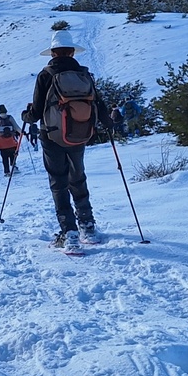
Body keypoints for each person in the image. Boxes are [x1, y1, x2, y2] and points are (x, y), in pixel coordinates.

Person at [24, 30, 116, 249]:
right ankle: (88, 226)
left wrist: (25, 116)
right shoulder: (83, 73)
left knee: (59, 182)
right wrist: (108, 123)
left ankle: (70, 233)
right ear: (72, 52)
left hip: (52, 136)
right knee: (78, 177)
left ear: (53, 53)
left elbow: (35, 113)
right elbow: (98, 103)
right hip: (79, 133)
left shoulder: (46, 74)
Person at [0, 104, 22, 177]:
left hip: (2, 143)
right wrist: (22, 132)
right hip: (11, 141)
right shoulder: (10, 118)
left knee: (4, 158)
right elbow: (16, 127)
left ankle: (7, 172)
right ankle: (14, 166)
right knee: (13, 155)